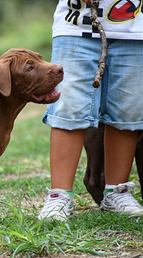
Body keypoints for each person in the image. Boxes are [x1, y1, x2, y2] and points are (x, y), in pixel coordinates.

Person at [39, 0, 143, 221]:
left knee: (127, 111)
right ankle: (59, 195)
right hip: (75, 27)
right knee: (67, 106)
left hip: (136, 30)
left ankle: (117, 192)